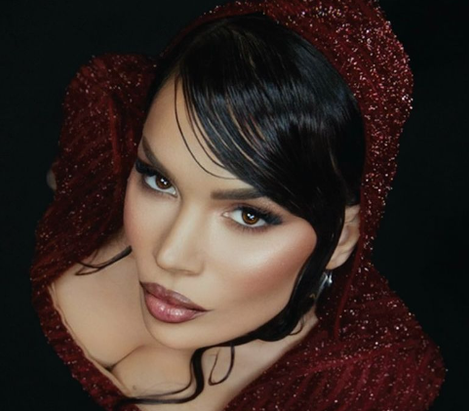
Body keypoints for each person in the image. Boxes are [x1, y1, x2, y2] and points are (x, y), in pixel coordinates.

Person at [30, 0, 446, 410]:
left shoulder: (368, 385)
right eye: (160, 180)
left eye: (248, 216)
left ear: (341, 238)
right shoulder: (102, 136)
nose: (171, 255)